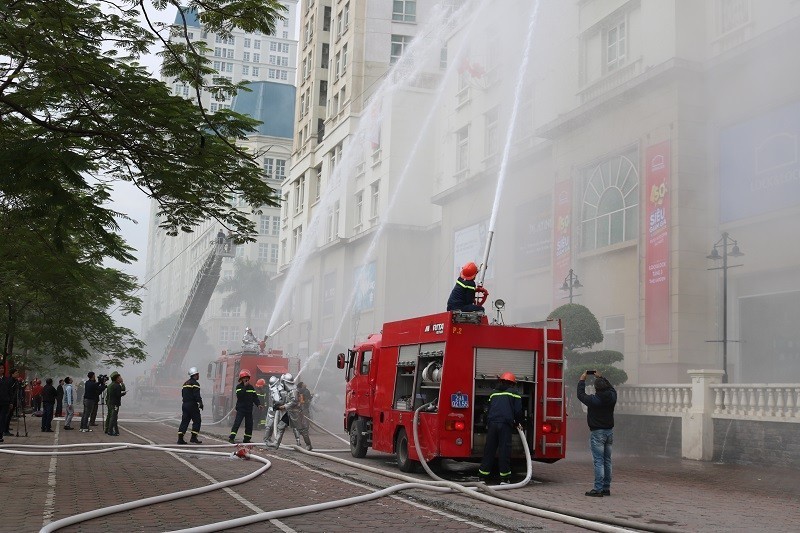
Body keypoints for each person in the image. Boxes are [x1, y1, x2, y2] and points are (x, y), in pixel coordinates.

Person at [478, 372, 523, 484]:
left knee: (489, 449)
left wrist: (486, 423)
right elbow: (518, 411)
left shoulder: (493, 393)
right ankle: (504, 478)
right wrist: (518, 423)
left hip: (492, 423)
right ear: (512, 384)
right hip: (505, 424)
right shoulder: (515, 393)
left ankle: (482, 476)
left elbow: (487, 409)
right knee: (504, 450)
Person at [577, 371, 617, 497]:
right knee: (607, 461)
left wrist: (582, 380)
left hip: (597, 433)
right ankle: (606, 488)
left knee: (598, 461)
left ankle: (598, 489)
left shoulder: (594, 400)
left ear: (596, 388)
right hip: (609, 432)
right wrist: (602, 377)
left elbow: (580, 395)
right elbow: (612, 388)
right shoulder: (612, 397)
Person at [269, 373, 313, 451]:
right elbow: (285, 400)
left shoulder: (294, 391)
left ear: (286, 382)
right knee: (280, 427)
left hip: (295, 414)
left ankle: (308, 445)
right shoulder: (288, 390)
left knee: (301, 430)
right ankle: (276, 443)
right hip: (289, 413)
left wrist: (284, 406)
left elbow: (294, 402)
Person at [228, 369, 260, 444]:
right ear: (241, 379)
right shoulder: (238, 387)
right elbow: (240, 395)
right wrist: (244, 387)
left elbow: (255, 397)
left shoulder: (251, 387)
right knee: (237, 423)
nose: (246, 379)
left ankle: (247, 439)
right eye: (244, 378)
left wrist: (258, 404)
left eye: (247, 377)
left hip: (249, 409)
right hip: (241, 409)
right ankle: (231, 438)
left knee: (249, 425)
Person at [177, 367, 204, 445]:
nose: (198, 375)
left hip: (185, 404)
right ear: (195, 375)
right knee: (197, 420)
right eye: (198, 374)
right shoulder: (195, 384)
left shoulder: (185, 383)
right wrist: (200, 403)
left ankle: (180, 439)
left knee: (184, 421)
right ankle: (193, 437)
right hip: (192, 405)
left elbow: (183, 394)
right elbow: (197, 395)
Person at [0, 369, 20, 442]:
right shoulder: (10, 381)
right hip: (5, 401)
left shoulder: (12, 380)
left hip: (8, 401)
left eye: (2, 368)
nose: (18, 374)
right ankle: (5, 430)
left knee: (5, 417)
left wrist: (11, 401)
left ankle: (3, 432)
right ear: (12, 374)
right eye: (16, 373)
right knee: (5, 417)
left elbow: (11, 392)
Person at [262, 376, 283, 445]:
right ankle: (266, 439)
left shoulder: (272, 389)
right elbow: (277, 400)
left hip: (272, 409)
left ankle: (268, 439)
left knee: (271, 425)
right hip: (273, 410)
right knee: (270, 425)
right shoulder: (274, 390)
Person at [104, 372, 123, 436]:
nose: (121, 378)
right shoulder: (117, 386)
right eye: (120, 377)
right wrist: (123, 393)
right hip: (115, 403)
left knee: (110, 416)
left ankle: (108, 429)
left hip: (110, 403)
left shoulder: (110, 385)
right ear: (117, 379)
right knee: (113, 417)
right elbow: (118, 395)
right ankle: (110, 431)